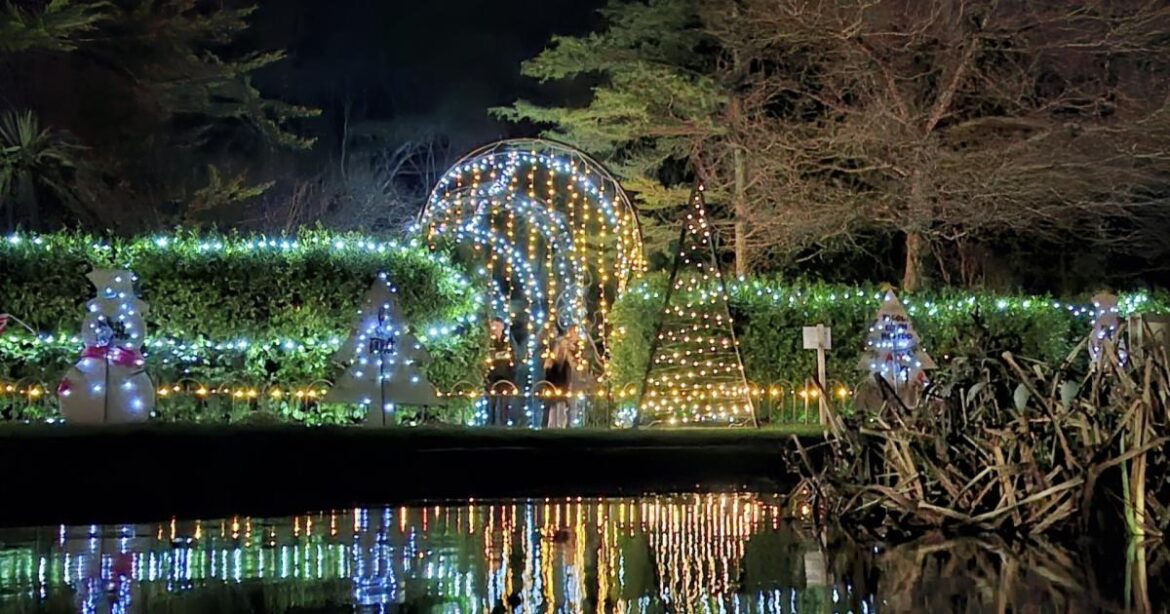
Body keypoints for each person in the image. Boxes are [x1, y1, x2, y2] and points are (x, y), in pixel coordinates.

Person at [543, 331, 574, 428]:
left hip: (562, 393)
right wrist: (547, 369)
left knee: (561, 416)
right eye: (562, 347)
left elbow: (568, 378)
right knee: (553, 416)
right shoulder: (552, 362)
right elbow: (548, 379)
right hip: (553, 391)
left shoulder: (567, 363)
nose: (564, 350)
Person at [486, 318, 514, 425]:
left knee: (504, 405)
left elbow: (513, 357)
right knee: (491, 405)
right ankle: (490, 425)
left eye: (498, 326)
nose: (495, 328)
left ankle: (503, 425)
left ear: (502, 327)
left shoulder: (507, 342)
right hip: (491, 377)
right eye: (494, 326)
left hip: (505, 377)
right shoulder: (489, 342)